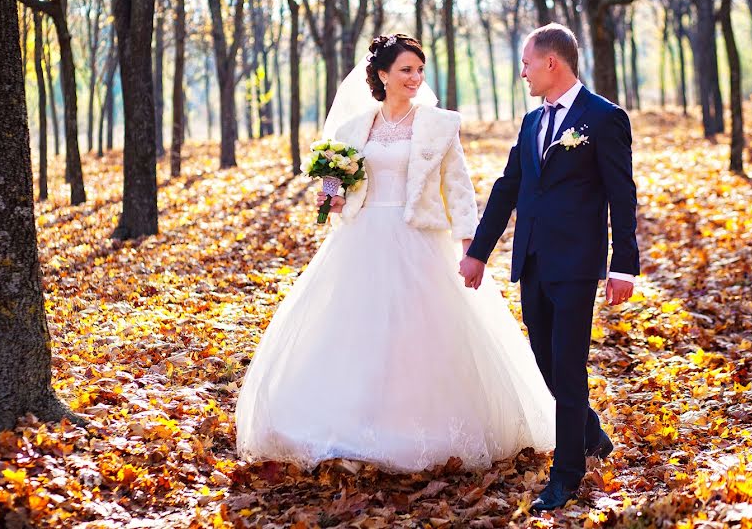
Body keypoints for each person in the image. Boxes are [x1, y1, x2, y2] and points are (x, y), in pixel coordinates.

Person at [235, 33, 555, 473]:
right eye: (406, 70)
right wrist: (330, 197)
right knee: (357, 331)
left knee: (419, 333)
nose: (415, 78)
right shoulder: (354, 127)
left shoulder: (439, 125)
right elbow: (335, 181)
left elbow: (458, 187)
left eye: (419, 70)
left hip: (419, 238)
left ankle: (420, 426)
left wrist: (469, 245)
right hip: (362, 238)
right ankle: (352, 423)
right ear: (382, 75)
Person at [460, 23, 640, 511]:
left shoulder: (603, 118)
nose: (522, 72)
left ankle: (566, 475)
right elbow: (509, 187)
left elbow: (622, 195)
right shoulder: (531, 122)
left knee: (567, 364)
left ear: (552, 63)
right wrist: (479, 251)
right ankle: (592, 433)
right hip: (534, 260)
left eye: (526, 63)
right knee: (543, 362)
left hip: (578, 264)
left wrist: (623, 265)